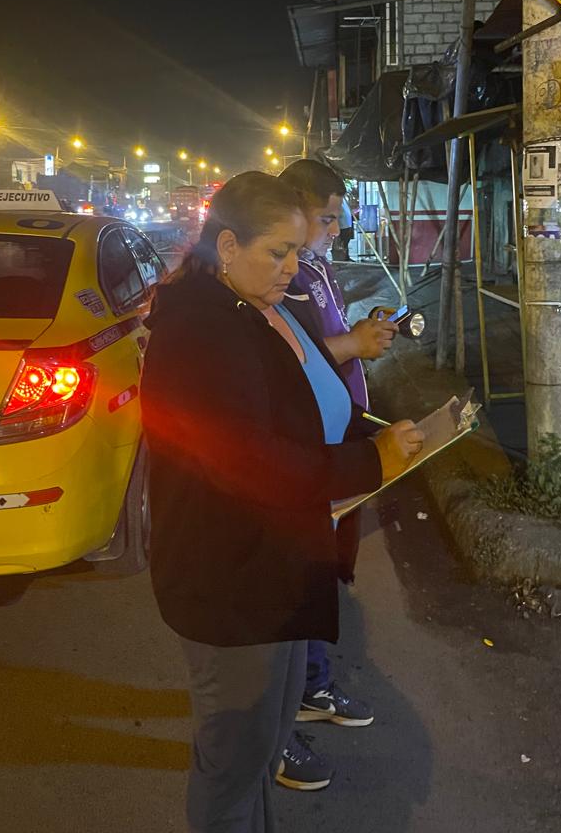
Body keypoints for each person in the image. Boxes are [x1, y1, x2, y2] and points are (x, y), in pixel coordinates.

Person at [140, 171, 422, 833]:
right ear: (228, 246)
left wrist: (370, 440)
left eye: (297, 250)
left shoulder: (250, 307)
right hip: (229, 584)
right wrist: (369, 461)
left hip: (274, 564)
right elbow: (251, 463)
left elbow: (295, 408)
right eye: (278, 251)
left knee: (263, 748)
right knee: (234, 762)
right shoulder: (201, 331)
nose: (293, 267)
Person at [277, 160, 396, 747]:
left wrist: (360, 335)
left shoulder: (314, 267)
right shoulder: (280, 276)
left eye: (336, 217)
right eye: (326, 217)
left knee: (321, 567)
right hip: (310, 448)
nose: (335, 228)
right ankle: (297, 699)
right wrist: (352, 342)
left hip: (335, 434)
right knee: (306, 570)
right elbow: (286, 356)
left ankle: (307, 685)